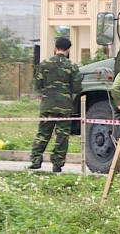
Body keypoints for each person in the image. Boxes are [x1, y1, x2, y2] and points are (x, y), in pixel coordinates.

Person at [29, 37, 81, 172]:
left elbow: (38, 84)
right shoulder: (72, 66)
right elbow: (76, 88)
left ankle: (36, 160)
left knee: (43, 133)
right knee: (62, 136)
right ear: (68, 50)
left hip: (47, 104)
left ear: (55, 47)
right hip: (65, 106)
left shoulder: (45, 63)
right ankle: (57, 163)